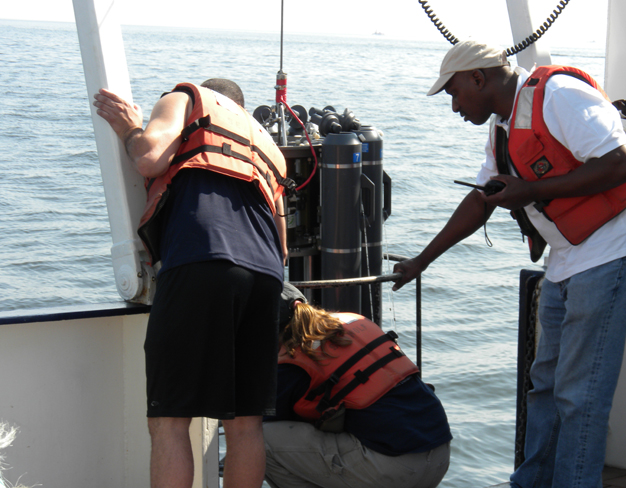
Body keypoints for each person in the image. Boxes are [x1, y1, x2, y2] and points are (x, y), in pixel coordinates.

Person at [392, 39, 626, 487]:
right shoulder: (503, 129)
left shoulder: (559, 95)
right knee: (545, 385)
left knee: (580, 394)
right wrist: (421, 261)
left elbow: (621, 165)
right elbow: (480, 201)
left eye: (454, 92)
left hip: (611, 250)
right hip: (567, 258)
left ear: (478, 78)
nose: (454, 106)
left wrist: (530, 191)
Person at [93, 78, 290, 488]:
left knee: (169, 418)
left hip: (202, 256)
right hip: (267, 276)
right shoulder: (267, 145)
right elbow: (283, 245)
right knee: (245, 425)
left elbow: (149, 158)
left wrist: (130, 128)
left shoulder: (186, 98)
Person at [263, 282, 452, 488]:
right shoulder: (352, 323)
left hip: (395, 468)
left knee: (259, 440)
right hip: (439, 454)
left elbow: (256, 422)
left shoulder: (292, 363)